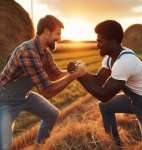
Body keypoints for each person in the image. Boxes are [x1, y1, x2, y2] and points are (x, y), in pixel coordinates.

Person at [0, 15, 85, 150]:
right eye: (57, 33)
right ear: (46, 32)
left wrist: (70, 71)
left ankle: (38, 148)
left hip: (25, 94)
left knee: (52, 114)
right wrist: (73, 76)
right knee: (5, 146)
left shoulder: (45, 52)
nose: (60, 39)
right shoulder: (28, 51)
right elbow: (47, 91)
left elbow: (55, 75)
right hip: (6, 99)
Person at [67, 20, 142, 149]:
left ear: (112, 41)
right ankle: (115, 145)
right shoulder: (110, 58)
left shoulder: (125, 61)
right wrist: (80, 72)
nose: (97, 45)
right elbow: (99, 80)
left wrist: (79, 77)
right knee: (106, 106)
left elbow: (105, 94)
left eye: (100, 41)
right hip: (133, 100)